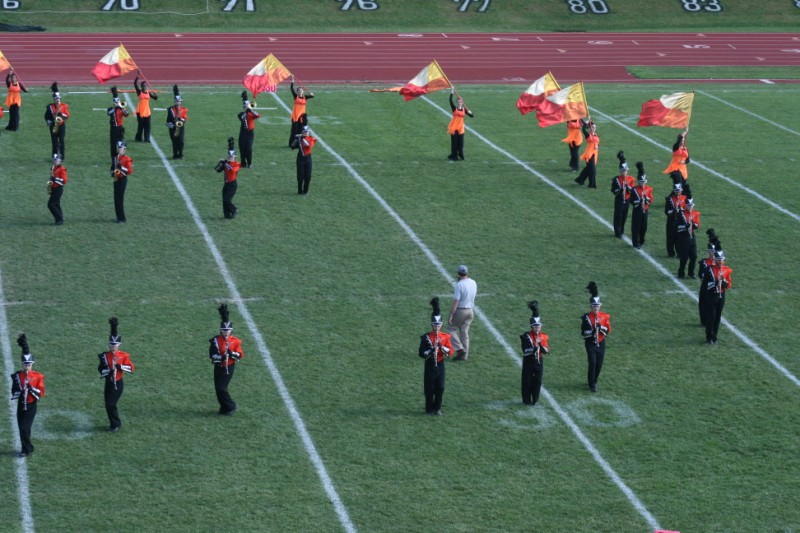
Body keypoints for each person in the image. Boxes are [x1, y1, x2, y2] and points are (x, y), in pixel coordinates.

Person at [11, 334, 45, 458]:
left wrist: (30, 388)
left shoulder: (37, 376)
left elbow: (41, 393)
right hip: (21, 405)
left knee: (25, 428)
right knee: (22, 428)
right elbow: (13, 391)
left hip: (31, 406)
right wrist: (20, 390)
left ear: (32, 365)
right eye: (25, 365)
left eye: (29, 365)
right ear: (22, 365)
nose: (27, 367)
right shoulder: (17, 376)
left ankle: (27, 449)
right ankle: (26, 447)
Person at [97, 317, 134, 432]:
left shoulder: (124, 356)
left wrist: (120, 367)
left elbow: (131, 368)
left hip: (118, 383)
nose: (113, 347)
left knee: (111, 404)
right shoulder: (104, 356)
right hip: (108, 383)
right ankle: (114, 424)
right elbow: (100, 370)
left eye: (115, 345)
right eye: (111, 345)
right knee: (108, 405)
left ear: (119, 345)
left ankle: (116, 425)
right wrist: (109, 372)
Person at [418, 297, 453, 415]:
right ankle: (429, 409)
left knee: (440, 388)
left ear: (441, 325)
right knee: (429, 389)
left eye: (439, 325)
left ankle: (437, 408)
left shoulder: (446, 337)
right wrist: (431, 350)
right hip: (430, 365)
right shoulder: (426, 337)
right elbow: (421, 353)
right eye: (435, 325)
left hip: (440, 364)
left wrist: (441, 347)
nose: (437, 328)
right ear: (432, 325)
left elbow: (450, 352)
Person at [209, 304, 244, 416]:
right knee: (218, 390)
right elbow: (212, 355)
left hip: (228, 367)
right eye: (224, 330)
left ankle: (231, 406)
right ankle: (224, 408)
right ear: (221, 330)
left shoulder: (235, 341)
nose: (226, 332)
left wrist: (231, 354)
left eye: (228, 330)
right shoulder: (215, 340)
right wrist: (222, 357)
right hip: (219, 367)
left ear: (231, 331)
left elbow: (239, 355)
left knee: (221, 389)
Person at [581, 282, 611, 393]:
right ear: (591, 306)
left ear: (600, 306)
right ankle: (591, 384)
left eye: (597, 306)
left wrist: (601, 328)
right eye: (594, 306)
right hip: (590, 343)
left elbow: (608, 330)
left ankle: (595, 380)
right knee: (592, 362)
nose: (596, 308)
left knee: (599, 363)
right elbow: (583, 333)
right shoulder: (586, 318)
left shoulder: (605, 316)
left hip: (601, 342)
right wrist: (592, 331)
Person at [520, 300, 550, 406]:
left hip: (539, 361)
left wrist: (540, 346)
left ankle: (535, 400)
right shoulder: (526, 336)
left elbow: (547, 350)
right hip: (529, 361)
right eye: (535, 326)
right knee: (527, 382)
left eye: (538, 326)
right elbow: (525, 351)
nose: (537, 328)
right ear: (531, 327)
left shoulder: (543, 336)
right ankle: (526, 400)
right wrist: (534, 348)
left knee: (537, 382)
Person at [700, 249, 733, 345]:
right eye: (718, 259)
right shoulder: (709, 269)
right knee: (711, 317)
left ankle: (714, 335)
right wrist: (714, 284)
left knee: (718, 317)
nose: (719, 261)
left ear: (724, 260)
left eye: (721, 259)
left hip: (721, 296)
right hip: (711, 296)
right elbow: (704, 281)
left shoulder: (726, 270)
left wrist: (725, 284)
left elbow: (729, 283)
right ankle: (709, 336)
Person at [448, 264, 477, 361]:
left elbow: (456, 301)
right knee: (464, 332)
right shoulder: (473, 282)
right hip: (470, 311)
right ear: (467, 273)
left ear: (458, 273)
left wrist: (451, 314)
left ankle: (460, 350)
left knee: (451, 329)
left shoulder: (459, 284)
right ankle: (464, 356)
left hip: (461, 310)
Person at [610, 151, 635, 238]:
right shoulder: (616, 179)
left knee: (624, 215)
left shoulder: (631, 179)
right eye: (623, 171)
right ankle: (617, 232)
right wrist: (620, 190)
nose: (624, 172)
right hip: (619, 199)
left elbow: (633, 190)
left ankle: (622, 230)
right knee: (618, 215)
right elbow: (613, 190)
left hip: (627, 199)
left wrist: (628, 188)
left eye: (626, 171)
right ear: (620, 171)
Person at [214, 137, 240, 219]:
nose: (230, 158)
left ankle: (234, 209)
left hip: (232, 185)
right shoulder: (227, 163)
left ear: (235, 157)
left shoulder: (237, 164)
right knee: (224, 200)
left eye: (232, 157)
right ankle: (227, 215)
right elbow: (217, 170)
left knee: (227, 200)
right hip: (226, 184)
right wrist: (220, 164)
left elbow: (232, 170)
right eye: (229, 157)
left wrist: (225, 163)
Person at [629, 162, 653, 249]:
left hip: (645, 210)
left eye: (644, 182)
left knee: (644, 227)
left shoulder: (648, 189)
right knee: (636, 227)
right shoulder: (634, 189)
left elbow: (651, 199)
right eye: (641, 182)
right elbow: (631, 200)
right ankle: (635, 242)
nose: (643, 183)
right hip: (637, 210)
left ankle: (642, 241)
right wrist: (639, 201)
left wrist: (647, 200)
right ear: (638, 182)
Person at [698, 230, 719, 326]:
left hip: (716, 288)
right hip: (706, 286)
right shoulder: (704, 262)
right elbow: (701, 274)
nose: (713, 254)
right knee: (703, 303)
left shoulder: (719, 264)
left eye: (714, 252)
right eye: (711, 252)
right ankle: (703, 321)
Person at [44, 82, 70, 161]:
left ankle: (61, 156)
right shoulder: (50, 107)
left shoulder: (64, 106)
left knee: (61, 141)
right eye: (56, 99)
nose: (57, 100)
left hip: (61, 125)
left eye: (58, 99)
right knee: (54, 142)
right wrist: (49, 121)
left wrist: (60, 114)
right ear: (54, 100)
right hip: (54, 126)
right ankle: (55, 157)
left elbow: (67, 116)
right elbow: (46, 116)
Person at [676, 198, 701, 279]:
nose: (690, 207)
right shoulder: (681, 214)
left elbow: (698, 224)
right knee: (684, 257)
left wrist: (695, 225)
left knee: (694, 256)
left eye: (691, 205)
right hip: (683, 237)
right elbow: (677, 227)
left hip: (692, 236)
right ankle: (681, 272)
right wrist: (685, 226)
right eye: (688, 205)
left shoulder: (695, 213)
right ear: (685, 206)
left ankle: (691, 272)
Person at [447, 89, 473, 161]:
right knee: (454, 143)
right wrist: (451, 93)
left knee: (461, 143)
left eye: (460, 101)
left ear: (462, 102)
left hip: (460, 128)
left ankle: (460, 154)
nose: (459, 102)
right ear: (457, 102)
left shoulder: (464, 109)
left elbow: (472, 116)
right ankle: (454, 155)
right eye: (458, 101)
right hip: (454, 127)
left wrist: (470, 112)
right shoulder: (454, 108)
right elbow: (450, 101)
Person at [291, 125, 316, 195]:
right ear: (302, 132)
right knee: (300, 176)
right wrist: (296, 140)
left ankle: (305, 191)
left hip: (308, 159)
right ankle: (299, 191)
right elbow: (292, 147)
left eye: (307, 132)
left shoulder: (311, 139)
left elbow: (308, 146)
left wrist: (302, 139)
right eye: (305, 131)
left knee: (308, 176)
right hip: (300, 159)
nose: (306, 133)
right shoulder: (299, 138)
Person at [288, 76, 314, 147]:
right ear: (297, 92)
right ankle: (292, 144)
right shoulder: (295, 96)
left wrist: (311, 94)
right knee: (294, 131)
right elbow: (291, 89)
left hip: (302, 116)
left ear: (303, 91)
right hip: (295, 117)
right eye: (299, 91)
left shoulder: (305, 97)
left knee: (301, 131)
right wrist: (292, 81)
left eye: (301, 90)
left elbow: (312, 96)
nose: (300, 92)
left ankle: (299, 144)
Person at [111, 141, 133, 223]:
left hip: (122, 180)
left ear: (124, 149)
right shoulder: (116, 157)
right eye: (118, 148)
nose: (119, 149)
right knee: (116, 198)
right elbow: (114, 168)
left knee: (119, 198)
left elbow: (130, 171)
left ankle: (122, 218)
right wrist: (113, 172)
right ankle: (118, 216)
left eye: (120, 148)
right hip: (117, 178)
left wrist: (121, 168)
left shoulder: (127, 159)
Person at [107, 86, 129, 166]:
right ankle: (113, 159)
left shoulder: (121, 109)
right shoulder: (111, 109)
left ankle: (120, 159)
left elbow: (127, 114)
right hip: (113, 129)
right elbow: (109, 113)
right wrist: (115, 107)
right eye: (116, 102)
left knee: (120, 144)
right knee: (113, 144)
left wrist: (121, 107)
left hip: (120, 129)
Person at [238, 91, 260, 168]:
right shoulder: (241, 114)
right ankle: (243, 163)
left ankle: (249, 163)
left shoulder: (251, 113)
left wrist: (251, 110)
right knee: (242, 148)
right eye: (244, 107)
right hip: (243, 133)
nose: (245, 108)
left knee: (248, 148)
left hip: (250, 133)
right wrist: (247, 110)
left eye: (246, 106)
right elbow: (242, 118)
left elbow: (258, 115)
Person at [664, 183, 686, 258]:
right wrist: (673, 211)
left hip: (680, 221)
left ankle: (679, 253)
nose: (678, 192)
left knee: (679, 237)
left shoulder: (684, 198)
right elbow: (666, 211)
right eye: (676, 191)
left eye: (679, 191)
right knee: (670, 237)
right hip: (672, 221)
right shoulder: (669, 199)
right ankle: (670, 252)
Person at [574, 120, 599, 188]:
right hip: (588, 155)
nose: (594, 128)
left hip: (595, 154)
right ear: (590, 128)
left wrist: (597, 146)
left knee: (588, 169)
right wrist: (587, 124)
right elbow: (583, 129)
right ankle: (592, 184)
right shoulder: (588, 135)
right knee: (593, 170)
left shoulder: (597, 135)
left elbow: (597, 144)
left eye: (595, 127)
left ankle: (580, 180)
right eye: (593, 127)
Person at [133, 74, 157, 142]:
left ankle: (147, 139)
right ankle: (138, 138)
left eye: (146, 85)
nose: (145, 87)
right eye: (143, 86)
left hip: (147, 112)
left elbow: (155, 98)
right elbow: (135, 83)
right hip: (140, 112)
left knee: (148, 126)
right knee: (141, 126)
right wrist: (137, 75)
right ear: (141, 86)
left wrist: (155, 95)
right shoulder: (139, 92)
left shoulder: (148, 93)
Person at [166, 84, 188, 159]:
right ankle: (175, 155)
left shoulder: (184, 109)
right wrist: (171, 124)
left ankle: (181, 154)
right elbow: (168, 120)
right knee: (175, 142)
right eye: (177, 101)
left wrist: (179, 122)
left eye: (180, 101)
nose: (179, 103)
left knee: (181, 141)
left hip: (180, 127)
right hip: (173, 128)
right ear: (175, 102)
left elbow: (184, 119)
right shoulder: (170, 109)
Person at [47, 153, 67, 225]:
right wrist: (49, 189)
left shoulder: (62, 169)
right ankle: (61, 217)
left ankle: (59, 219)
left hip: (58, 189)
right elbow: (51, 179)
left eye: (56, 159)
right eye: (54, 159)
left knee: (51, 204)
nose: (55, 161)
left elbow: (64, 180)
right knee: (56, 204)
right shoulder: (52, 168)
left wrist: (55, 179)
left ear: (60, 161)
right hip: (54, 189)